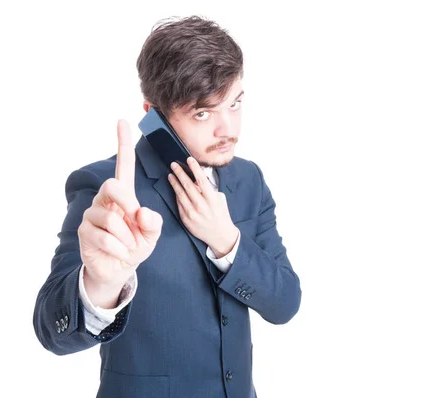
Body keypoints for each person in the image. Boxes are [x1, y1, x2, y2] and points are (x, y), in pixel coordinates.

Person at [33, 15, 301, 398]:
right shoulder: (104, 187)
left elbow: (285, 303)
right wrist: (102, 284)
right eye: (203, 113)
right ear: (152, 113)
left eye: (235, 103)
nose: (229, 130)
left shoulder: (249, 180)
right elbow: (50, 331)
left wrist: (228, 244)